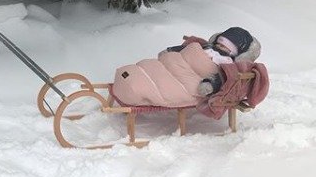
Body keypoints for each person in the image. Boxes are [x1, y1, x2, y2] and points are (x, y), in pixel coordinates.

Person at [111, 27, 261, 108]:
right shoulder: (206, 46)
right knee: (151, 70)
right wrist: (171, 51)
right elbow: (185, 51)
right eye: (220, 43)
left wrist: (210, 84)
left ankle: (134, 87)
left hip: (191, 79)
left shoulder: (227, 62)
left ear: (235, 52)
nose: (220, 47)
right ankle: (131, 78)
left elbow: (223, 77)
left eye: (226, 46)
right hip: (175, 64)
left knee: (161, 86)